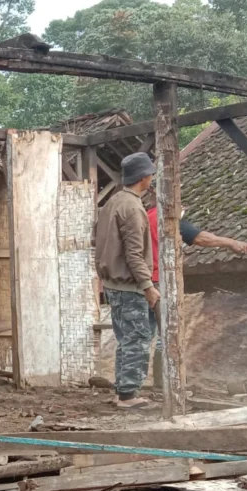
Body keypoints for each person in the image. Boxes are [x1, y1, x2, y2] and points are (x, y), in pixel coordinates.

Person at [144, 201, 247, 388]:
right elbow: (201, 238)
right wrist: (232, 243)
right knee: (168, 334)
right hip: (161, 280)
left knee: (143, 335)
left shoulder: (144, 217)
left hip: (143, 282)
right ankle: (165, 384)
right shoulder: (169, 220)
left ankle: (135, 386)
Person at [93, 152, 159, 409]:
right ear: (144, 177)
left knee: (126, 338)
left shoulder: (113, 203)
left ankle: (123, 390)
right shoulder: (133, 208)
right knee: (139, 338)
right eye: (151, 173)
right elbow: (133, 253)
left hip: (113, 283)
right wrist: (148, 286)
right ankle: (129, 396)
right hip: (129, 285)